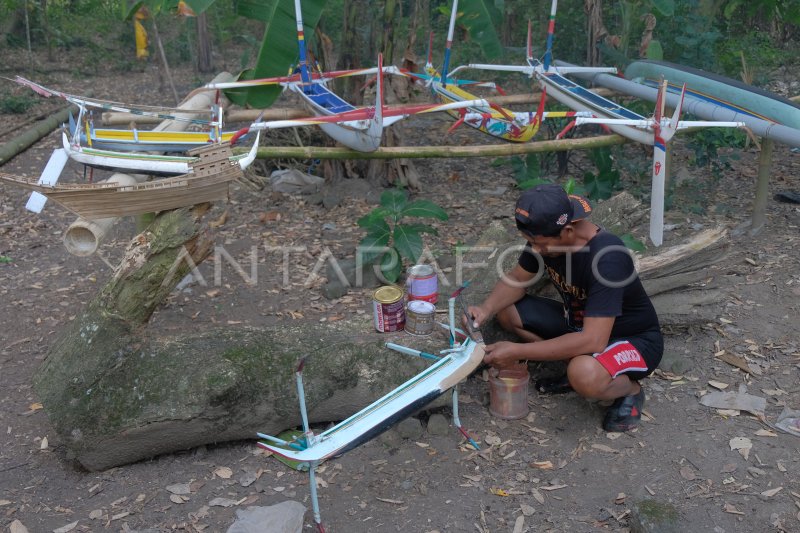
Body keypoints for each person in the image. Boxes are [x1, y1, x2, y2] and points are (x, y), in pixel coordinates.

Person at [468, 184, 663, 432]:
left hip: (633, 340)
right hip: (580, 325)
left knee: (584, 374)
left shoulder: (607, 258)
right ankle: (575, 365)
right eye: (530, 242)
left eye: (539, 244)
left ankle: (630, 390)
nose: (535, 250)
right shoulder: (546, 234)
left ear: (568, 230)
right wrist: (486, 309)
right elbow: (518, 279)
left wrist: (517, 350)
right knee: (507, 312)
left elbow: (594, 340)